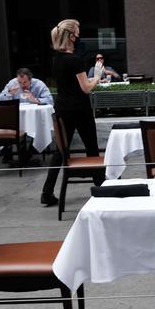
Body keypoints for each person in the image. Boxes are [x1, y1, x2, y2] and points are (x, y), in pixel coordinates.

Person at [40, 19, 105, 206]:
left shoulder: (57, 59)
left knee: (60, 151)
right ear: (71, 36)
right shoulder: (76, 59)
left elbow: (71, 84)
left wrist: (91, 79)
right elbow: (85, 88)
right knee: (91, 147)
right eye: (77, 32)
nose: (79, 35)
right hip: (80, 109)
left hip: (62, 108)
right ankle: (100, 186)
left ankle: (47, 192)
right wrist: (98, 77)